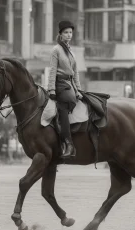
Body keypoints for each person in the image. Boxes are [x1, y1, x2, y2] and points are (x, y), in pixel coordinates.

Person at [48, 20, 83, 158]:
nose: (69, 35)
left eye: (70, 33)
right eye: (66, 33)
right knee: (64, 105)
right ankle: (69, 143)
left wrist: (79, 90)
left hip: (71, 85)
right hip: (60, 84)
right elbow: (52, 70)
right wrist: (51, 89)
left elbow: (76, 73)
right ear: (60, 34)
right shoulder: (56, 50)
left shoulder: (72, 52)